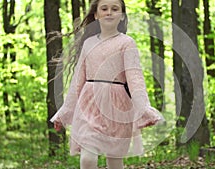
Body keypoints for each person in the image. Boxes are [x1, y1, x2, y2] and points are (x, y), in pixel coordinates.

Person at [50, 0, 164, 168]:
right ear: (96, 15)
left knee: (115, 160)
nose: (109, 12)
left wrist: (144, 108)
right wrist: (65, 111)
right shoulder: (89, 43)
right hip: (89, 105)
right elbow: (77, 81)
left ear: (122, 15)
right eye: (104, 8)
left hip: (117, 108)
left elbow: (135, 78)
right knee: (88, 158)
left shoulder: (127, 43)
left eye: (115, 9)